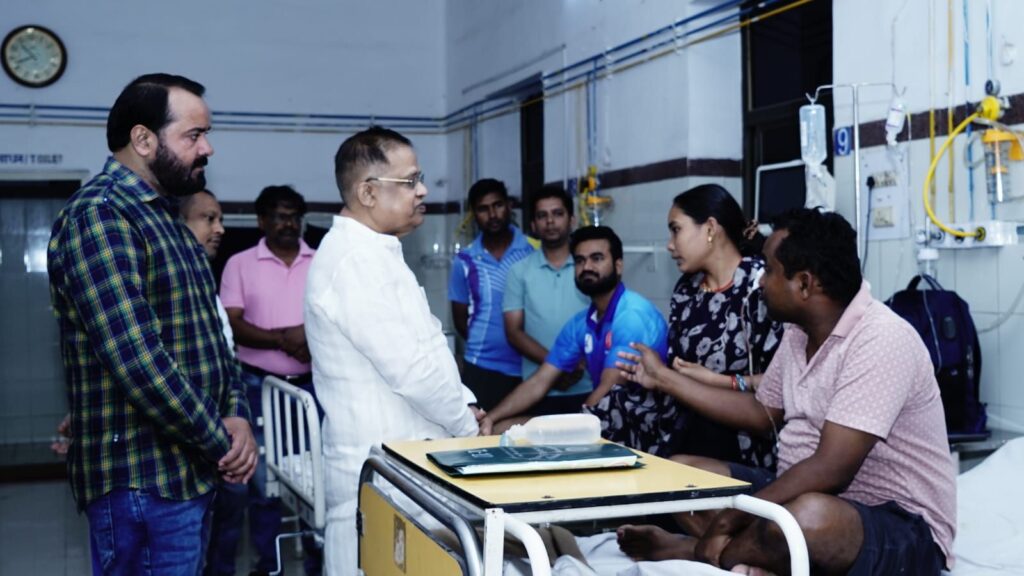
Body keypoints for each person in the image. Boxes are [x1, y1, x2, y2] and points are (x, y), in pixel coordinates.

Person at [615, 208, 956, 574]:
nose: (760, 281)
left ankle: (697, 552)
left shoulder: (881, 339)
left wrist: (729, 520)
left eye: (769, 269)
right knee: (679, 474)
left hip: (898, 523)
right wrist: (664, 378)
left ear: (805, 284)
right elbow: (761, 413)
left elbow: (831, 469)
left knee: (809, 518)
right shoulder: (799, 333)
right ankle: (753, 555)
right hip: (801, 492)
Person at [47, 73, 256, 575]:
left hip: (189, 472)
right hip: (142, 482)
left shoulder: (169, 223)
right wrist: (224, 441)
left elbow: (215, 341)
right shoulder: (101, 217)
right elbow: (138, 362)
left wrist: (237, 414)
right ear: (143, 140)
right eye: (194, 135)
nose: (207, 148)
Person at [305, 126, 482, 575]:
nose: (422, 191)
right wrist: (467, 427)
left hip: (407, 469)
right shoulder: (354, 261)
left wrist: (464, 404)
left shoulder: (378, 253)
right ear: (368, 192)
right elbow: (413, 371)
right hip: (385, 475)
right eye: (410, 181)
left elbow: (427, 343)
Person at [598, 184, 783, 460]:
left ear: (710, 228)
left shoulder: (760, 286)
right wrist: (655, 376)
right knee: (608, 411)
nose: (670, 245)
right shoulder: (687, 289)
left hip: (740, 430)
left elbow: (781, 384)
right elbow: (679, 371)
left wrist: (720, 382)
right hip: (684, 412)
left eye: (676, 230)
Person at [216, 185, 318, 576]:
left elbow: (334, 318)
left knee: (312, 482)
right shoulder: (240, 263)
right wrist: (283, 339)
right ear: (262, 221)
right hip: (257, 387)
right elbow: (232, 323)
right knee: (263, 485)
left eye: (294, 216)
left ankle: (316, 564)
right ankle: (269, 566)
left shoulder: (320, 262)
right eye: (279, 216)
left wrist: (307, 337)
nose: (289, 224)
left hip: (311, 388)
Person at [479, 225, 668, 437]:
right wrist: (490, 418)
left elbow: (608, 389)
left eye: (597, 258)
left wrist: (570, 431)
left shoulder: (631, 316)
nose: (587, 267)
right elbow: (539, 381)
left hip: (645, 430)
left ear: (618, 265)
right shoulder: (582, 322)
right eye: (579, 260)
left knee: (521, 434)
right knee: (499, 429)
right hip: (605, 420)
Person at [502, 184, 591, 416]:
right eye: (542, 216)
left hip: (589, 384)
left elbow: (604, 321)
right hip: (537, 389)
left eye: (558, 213)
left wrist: (568, 366)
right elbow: (514, 332)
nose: (550, 221)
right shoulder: (519, 271)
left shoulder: (588, 268)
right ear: (533, 225)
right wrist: (558, 367)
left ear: (572, 220)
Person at [449, 178, 535, 409]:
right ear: (474, 214)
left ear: (509, 205)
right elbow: (460, 320)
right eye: (483, 209)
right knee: (480, 429)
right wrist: (489, 343)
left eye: (497, 205)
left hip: (529, 367)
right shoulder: (464, 260)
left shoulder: (532, 250)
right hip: (481, 366)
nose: (492, 214)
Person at [178, 189, 234, 350]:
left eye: (220, 220)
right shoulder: (169, 280)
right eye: (210, 218)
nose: (220, 229)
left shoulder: (201, 277)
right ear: (179, 222)